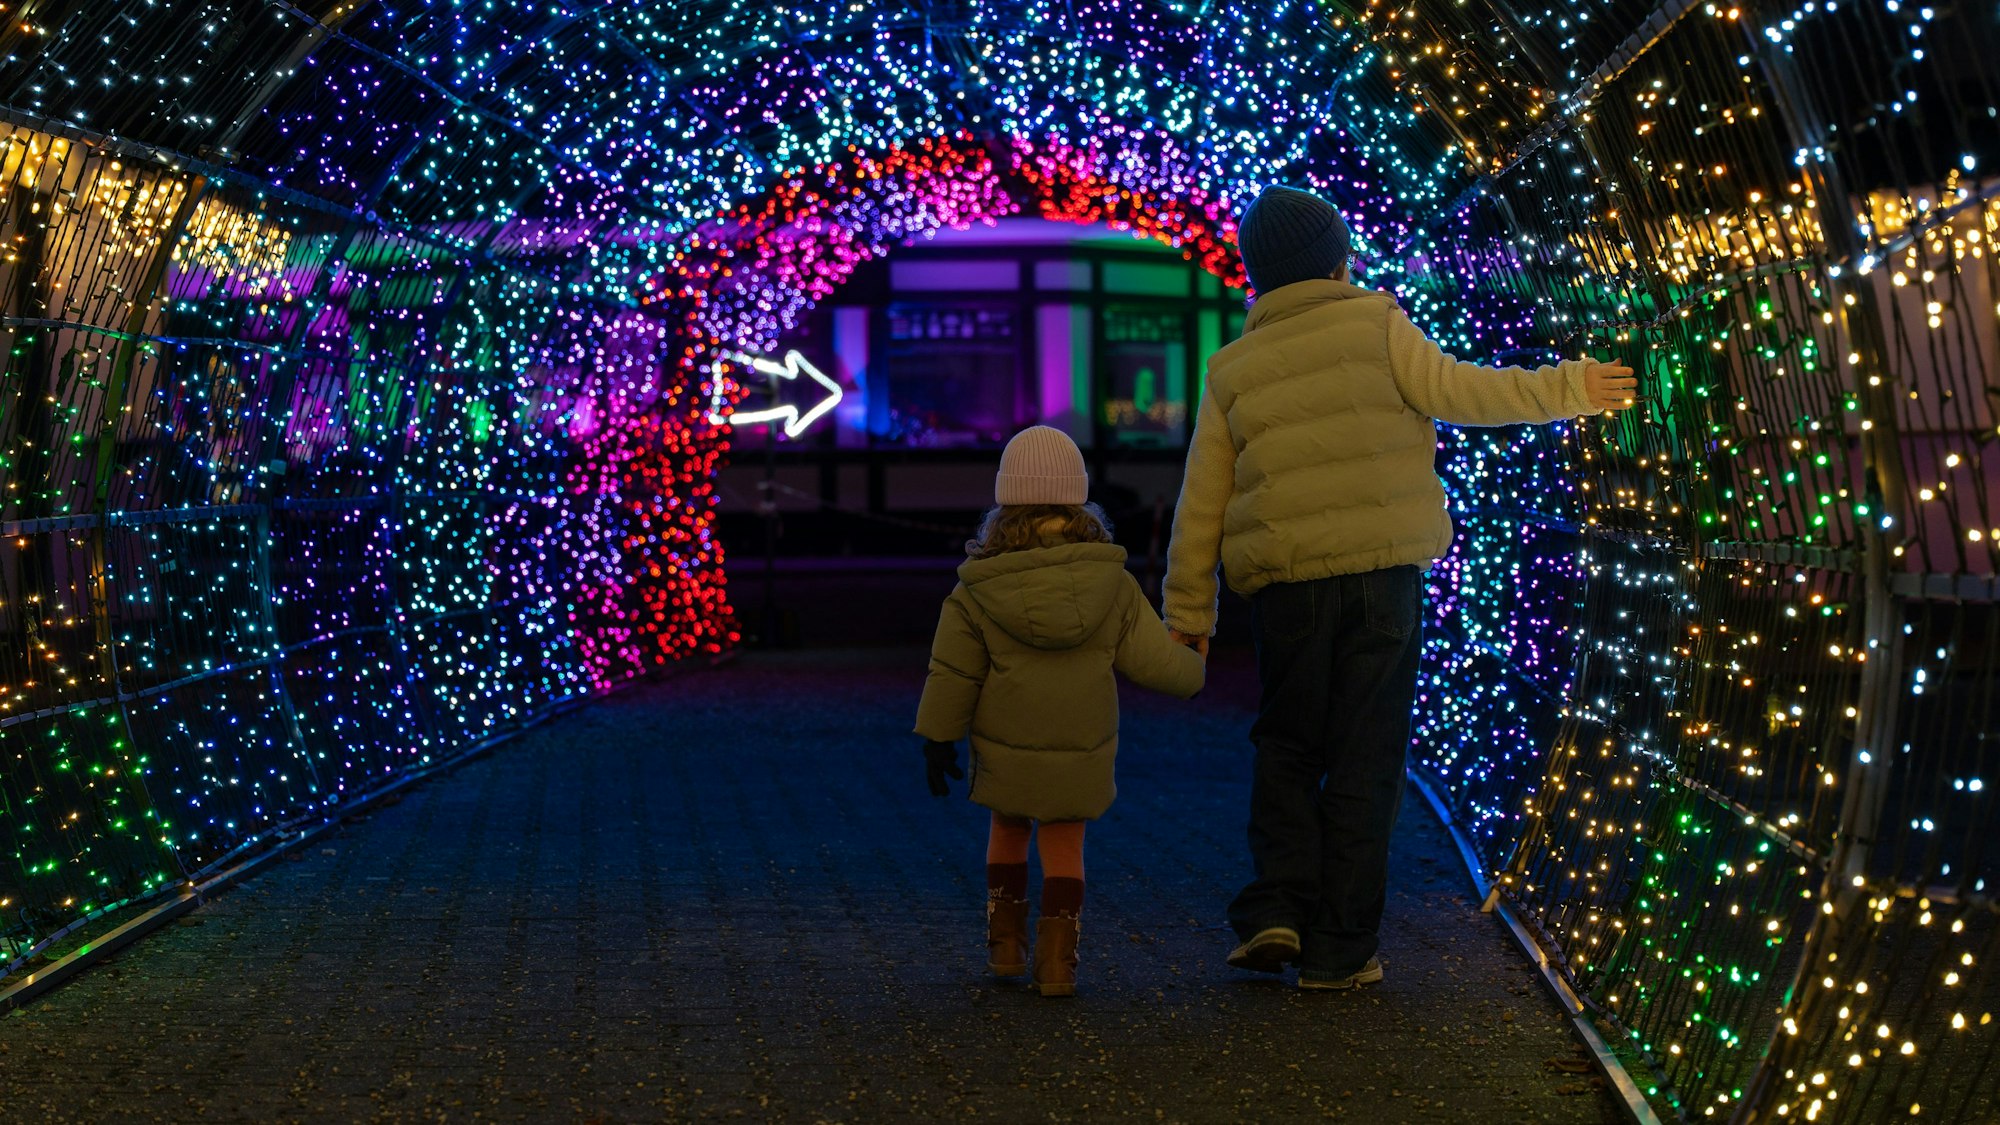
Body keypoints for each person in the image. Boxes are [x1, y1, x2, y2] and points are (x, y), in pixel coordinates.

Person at [1161, 185, 1637, 990]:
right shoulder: (1380, 326)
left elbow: (1201, 495)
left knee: (1286, 745)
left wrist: (1188, 609)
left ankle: (1276, 906)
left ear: (1259, 276)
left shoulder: (1232, 368)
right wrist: (1571, 386)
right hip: (1383, 580)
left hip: (1285, 589)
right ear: (1339, 258)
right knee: (1366, 758)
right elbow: (1466, 392)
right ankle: (1341, 950)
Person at [915, 425, 1207, 997]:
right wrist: (1194, 670)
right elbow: (1153, 662)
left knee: (1006, 829)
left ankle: (1004, 949)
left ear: (1005, 500)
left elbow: (954, 671)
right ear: (1079, 498)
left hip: (1005, 742)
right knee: (1065, 844)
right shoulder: (1111, 582)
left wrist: (938, 737)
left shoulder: (976, 588)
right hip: (1083, 744)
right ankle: (1056, 964)